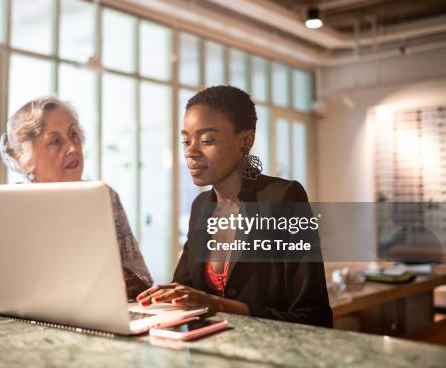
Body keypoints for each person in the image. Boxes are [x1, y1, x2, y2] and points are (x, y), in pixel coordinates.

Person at [0, 97, 152, 297]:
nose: (72, 148)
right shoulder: (6, 206)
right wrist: (5, 281)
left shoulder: (105, 199)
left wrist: (127, 281)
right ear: (23, 158)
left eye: (74, 135)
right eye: (56, 141)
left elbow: (141, 278)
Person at [137, 86, 333, 328]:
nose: (191, 151)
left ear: (245, 140)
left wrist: (219, 305)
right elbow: (183, 292)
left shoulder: (284, 198)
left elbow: (315, 317)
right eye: (186, 140)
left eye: (207, 140)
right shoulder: (201, 207)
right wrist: (140, 291)